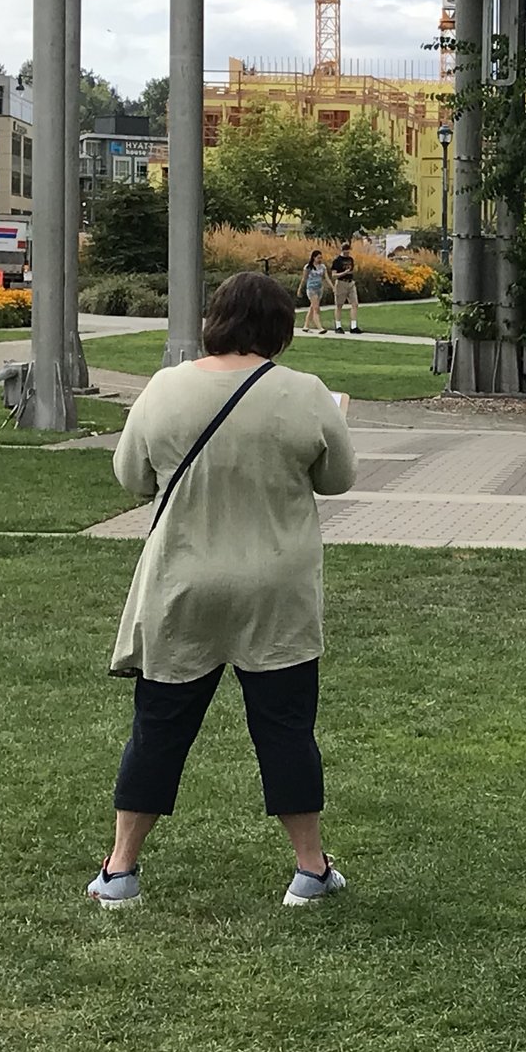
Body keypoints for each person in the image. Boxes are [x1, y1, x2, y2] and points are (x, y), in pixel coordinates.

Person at [89, 270, 359, 912]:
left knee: (158, 730)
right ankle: (309, 868)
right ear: (281, 328)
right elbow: (339, 478)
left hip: (183, 581)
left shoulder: (164, 389)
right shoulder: (306, 393)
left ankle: (121, 869)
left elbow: (131, 477)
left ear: (214, 319)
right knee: (288, 729)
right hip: (277, 588)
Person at [327, 242, 360, 335]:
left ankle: (353, 326)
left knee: (355, 304)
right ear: (342, 250)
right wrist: (344, 273)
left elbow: (352, 270)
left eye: (348, 251)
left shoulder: (350, 259)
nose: (347, 253)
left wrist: (352, 272)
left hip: (350, 283)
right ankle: (338, 326)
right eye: (345, 251)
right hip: (341, 283)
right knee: (339, 305)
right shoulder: (337, 261)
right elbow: (334, 275)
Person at [300, 249, 327, 334]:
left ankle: (306, 326)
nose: (320, 259)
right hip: (311, 289)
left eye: (321, 258)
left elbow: (326, 277)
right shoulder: (308, 267)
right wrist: (300, 289)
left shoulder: (322, 267)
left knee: (312, 307)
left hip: (319, 289)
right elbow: (304, 279)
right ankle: (320, 327)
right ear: (314, 258)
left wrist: (332, 286)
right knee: (316, 308)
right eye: (318, 258)